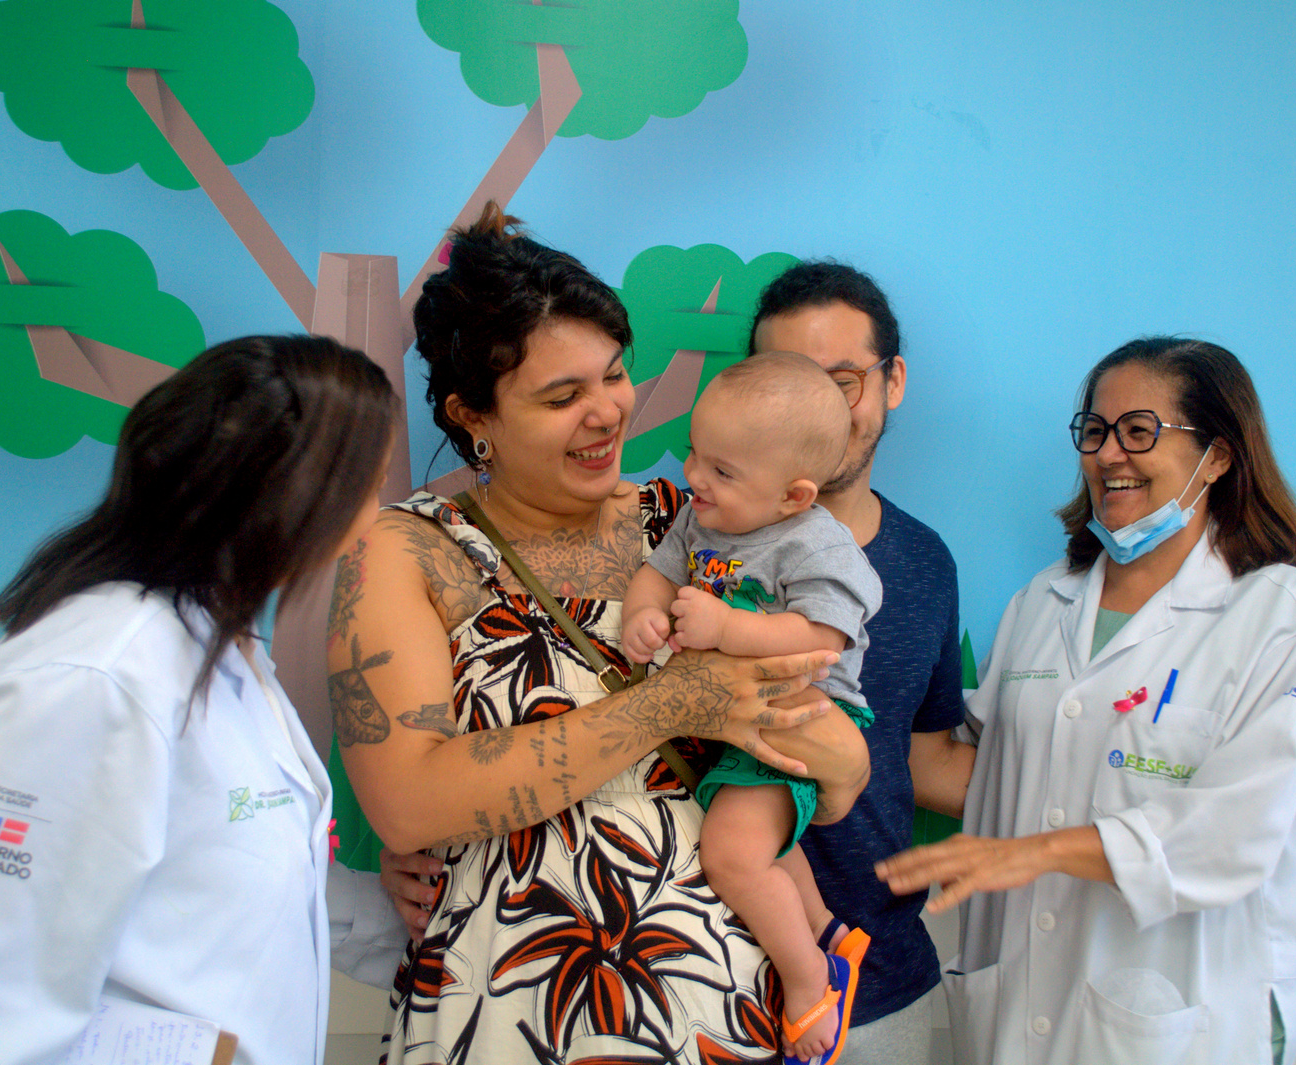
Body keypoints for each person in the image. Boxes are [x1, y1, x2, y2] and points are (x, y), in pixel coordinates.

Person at [330, 205, 869, 1065]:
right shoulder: (407, 550)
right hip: (506, 1004)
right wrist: (668, 705)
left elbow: (836, 761)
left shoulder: (701, 518)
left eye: (614, 375)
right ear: (474, 416)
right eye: (561, 396)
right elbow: (405, 803)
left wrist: (833, 755)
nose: (607, 411)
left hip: (720, 1008)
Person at [0, 335, 399, 1065]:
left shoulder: (219, 654)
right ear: (295, 493)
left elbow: (212, 882)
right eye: (367, 487)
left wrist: (408, 920)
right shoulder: (98, 679)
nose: (374, 517)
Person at [876, 337, 1296, 1065]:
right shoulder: (1044, 601)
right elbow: (981, 771)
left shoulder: (1280, 616)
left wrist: (1035, 852)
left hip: (1181, 1011)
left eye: (1139, 430)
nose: (1108, 454)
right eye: (1094, 431)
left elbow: (1236, 831)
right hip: (1017, 1004)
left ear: (1218, 456)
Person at [622, 352, 882, 1064]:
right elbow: (655, 575)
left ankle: (808, 981)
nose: (695, 477)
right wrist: (643, 616)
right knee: (766, 844)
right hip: (732, 722)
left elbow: (822, 639)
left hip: (798, 718)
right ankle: (826, 931)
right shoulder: (700, 519)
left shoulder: (816, 542)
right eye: (695, 455)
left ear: (794, 495)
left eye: (722, 470)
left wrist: (726, 628)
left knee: (733, 856)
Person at [747, 261, 974, 1065]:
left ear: (891, 382)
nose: (816, 410)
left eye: (841, 381)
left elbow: (925, 759)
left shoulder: (925, 562)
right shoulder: (696, 549)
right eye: (789, 382)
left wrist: (1103, 796)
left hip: (878, 983)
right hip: (709, 973)